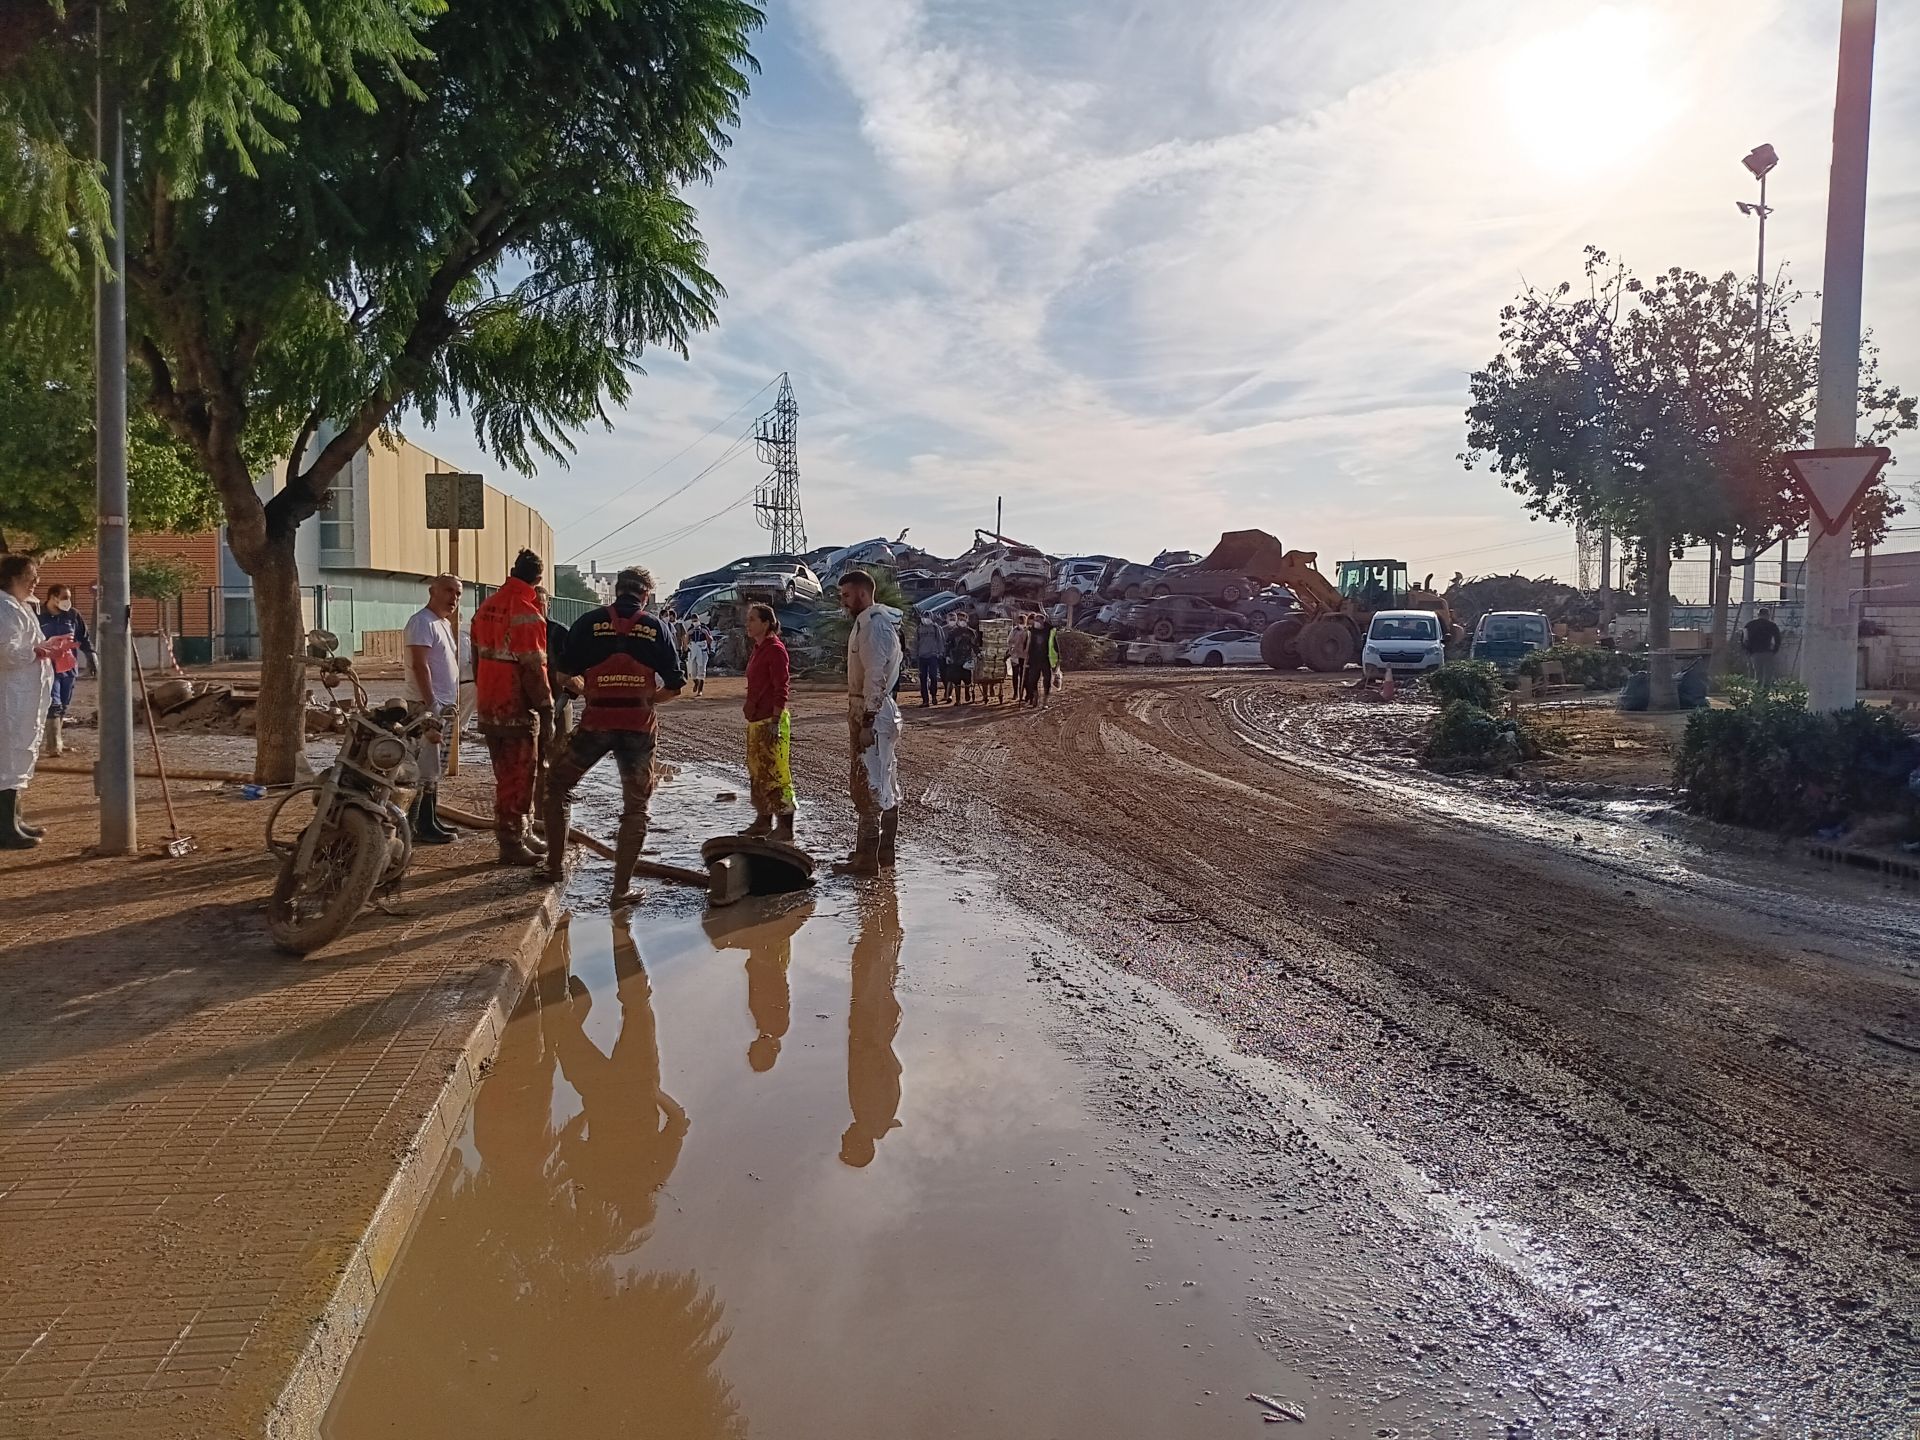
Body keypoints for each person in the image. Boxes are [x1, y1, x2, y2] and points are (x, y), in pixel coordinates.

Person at [542, 567, 685, 905]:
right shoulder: (656, 628)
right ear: (646, 596)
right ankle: (620, 891)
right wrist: (649, 699)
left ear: (617, 590)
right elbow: (677, 686)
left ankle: (553, 868)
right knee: (635, 808)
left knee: (557, 786)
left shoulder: (589, 624)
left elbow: (564, 675)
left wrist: (589, 691)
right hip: (637, 729)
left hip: (596, 725)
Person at [470, 549, 553, 866]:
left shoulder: (488, 605)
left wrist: (485, 689)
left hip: (491, 703)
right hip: (515, 706)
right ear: (538, 579)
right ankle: (511, 841)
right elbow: (534, 668)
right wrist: (546, 710)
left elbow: (476, 656)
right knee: (518, 776)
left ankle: (524, 829)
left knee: (508, 773)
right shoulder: (526, 611)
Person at [836, 570, 902, 875]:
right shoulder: (872, 624)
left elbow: (875, 677)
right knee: (883, 779)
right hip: (876, 710)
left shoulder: (874, 627)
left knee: (869, 782)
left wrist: (867, 720)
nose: (844, 602)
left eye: (847, 595)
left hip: (872, 712)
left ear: (862, 594)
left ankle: (868, 858)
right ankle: (881, 853)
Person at [402, 573, 463, 846]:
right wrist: (431, 705)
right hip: (428, 707)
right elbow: (420, 665)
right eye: (449, 591)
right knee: (423, 768)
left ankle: (431, 818)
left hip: (444, 707)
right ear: (432, 591)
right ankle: (420, 825)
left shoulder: (442, 624)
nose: (454, 598)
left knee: (434, 769)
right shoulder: (421, 622)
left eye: (458, 593)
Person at [0, 554, 56, 848]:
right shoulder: (3, 608)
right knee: (7, 758)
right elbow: (5, 652)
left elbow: (27, 645)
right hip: (9, 695)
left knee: (19, 753)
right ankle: (4, 828)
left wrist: (46, 648)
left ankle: (14, 818)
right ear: (12, 578)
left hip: (23, 694)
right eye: (29, 576)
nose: (36, 581)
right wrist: (39, 652)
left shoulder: (21, 607)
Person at [741, 602, 796, 841]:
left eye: (753, 619)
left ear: (766, 623)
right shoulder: (758, 648)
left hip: (770, 719)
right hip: (756, 718)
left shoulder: (775, 649)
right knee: (757, 771)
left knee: (775, 772)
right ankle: (763, 819)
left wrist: (775, 719)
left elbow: (781, 686)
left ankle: (785, 825)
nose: (748, 623)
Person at [37, 583, 93, 758]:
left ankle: (58, 740)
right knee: (53, 704)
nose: (68, 601)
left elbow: (83, 638)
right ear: (52, 597)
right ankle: (53, 746)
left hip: (68, 667)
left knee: (64, 704)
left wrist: (92, 658)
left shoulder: (72, 615)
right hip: (46, 666)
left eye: (69, 597)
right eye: (64, 597)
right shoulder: (38, 615)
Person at [942, 611, 975, 706]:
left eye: (963, 619)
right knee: (956, 681)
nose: (961, 621)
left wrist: (978, 654)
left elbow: (974, 645)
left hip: (967, 659)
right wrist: (947, 656)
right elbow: (948, 645)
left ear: (967, 620)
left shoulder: (971, 632)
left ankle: (967, 692)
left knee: (967, 680)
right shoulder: (953, 633)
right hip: (955, 659)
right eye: (960, 619)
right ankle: (957, 700)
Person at [1743, 606, 1782, 684]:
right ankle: (1765, 692)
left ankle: (1758, 692)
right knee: (1768, 675)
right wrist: (1774, 651)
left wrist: (1748, 651)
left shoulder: (1749, 625)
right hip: (1768, 652)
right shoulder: (1772, 625)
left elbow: (1745, 639)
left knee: (1757, 674)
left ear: (1758, 614)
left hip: (1755, 653)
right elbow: (1778, 639)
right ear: (1768, 615)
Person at [912, 611, 943, 707]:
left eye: (927, 616)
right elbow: (915, 642)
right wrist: (914, 655)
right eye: (924, 616)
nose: (926, 618)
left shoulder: (935, 627)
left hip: (933, 655)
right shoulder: (919, 629)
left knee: (933, 676)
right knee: (923, 678)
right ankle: (925, 700)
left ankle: (933, 695)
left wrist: (940, 652)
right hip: (922, 656)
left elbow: (940, 640)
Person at [1025, 613, 1056, 707]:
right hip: (1034, 659)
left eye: (1038, 620)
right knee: (1032, 680)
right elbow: (1027, 645)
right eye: (1035, 620)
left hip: (1046, 659)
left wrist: (1056, 661)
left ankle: (1045, 701)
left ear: (1043, 621)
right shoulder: (1031, 631)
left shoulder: (1050, 631)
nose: (1036, 622)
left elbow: (1055, 646)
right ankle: (1035, 698)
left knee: (1047, 680)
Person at [1008, 614, 1030, 701]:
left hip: (1024, 656)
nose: (1020, 623)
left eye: (1022, 622)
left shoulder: (1027, 632)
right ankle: (1015, 693)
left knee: (1023, 676)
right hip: (1015, 655)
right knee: (1015, 675)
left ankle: (1022, 693)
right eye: (1019, 622)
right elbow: (1009, 641)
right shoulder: (1013, 631)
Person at [686, 619, 711, 697]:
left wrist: (706, 633)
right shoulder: (690, 629)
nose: (695, 622)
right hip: (693, 651)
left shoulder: (704, 628)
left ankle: (700, 690)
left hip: (702, 651)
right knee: (693, 672)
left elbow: (710, 641)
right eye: (693, 620)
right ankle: (696, 683)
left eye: (696, 620)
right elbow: (686, 642)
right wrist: (688, 634)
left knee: (701, 670)